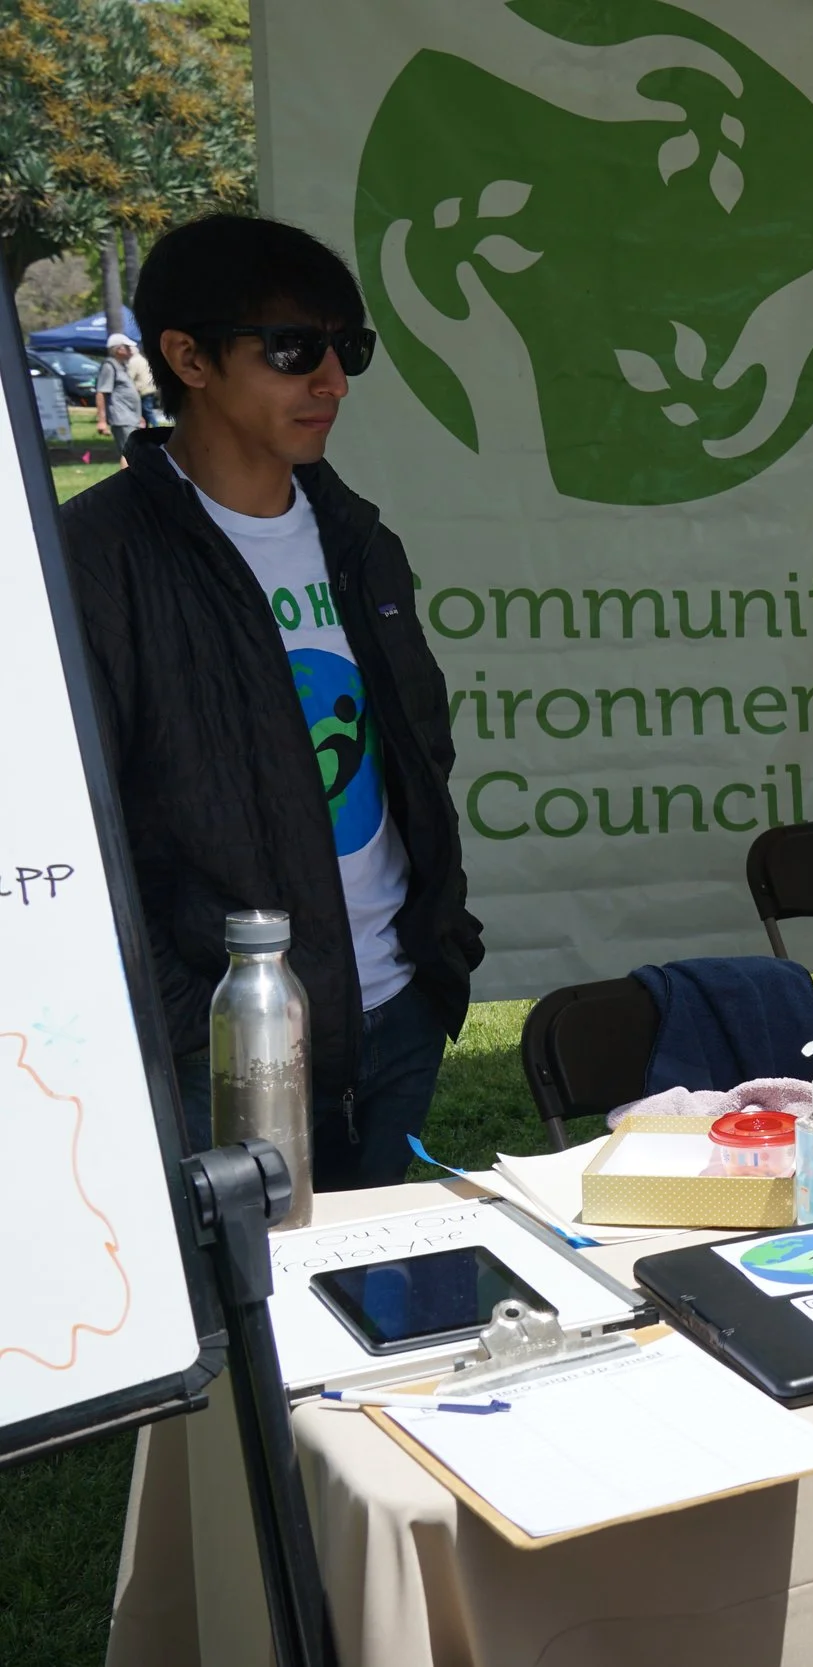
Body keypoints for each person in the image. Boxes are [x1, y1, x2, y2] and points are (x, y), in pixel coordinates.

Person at [59, 214, 482, 1188]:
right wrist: (185, 1021)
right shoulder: (94, 561)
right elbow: (87, 829)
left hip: (397, 1011)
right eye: (295, 350)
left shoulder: (359, 537)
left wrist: (437, 952)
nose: (331, 379)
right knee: (257, 1333)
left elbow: (419, 753)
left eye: (349, 349)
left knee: (386, 1313)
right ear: (187, 358)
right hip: (227, 1047)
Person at [94, 330, 147, 458]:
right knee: (129, 455)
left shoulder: (121, 366)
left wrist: (138, 415)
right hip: (122, 418)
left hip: (131, 417)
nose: (131, 350)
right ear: (118, 349)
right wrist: (102, 420)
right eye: (127, 347)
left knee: (134, 454)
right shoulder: (109, 366)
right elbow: (101, 392)